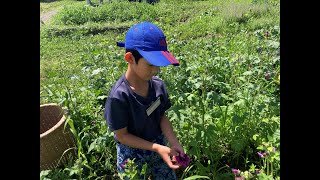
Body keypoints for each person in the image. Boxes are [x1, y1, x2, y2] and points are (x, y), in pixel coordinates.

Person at [104, 21, 184, 179]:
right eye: (150, 65)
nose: (156, 71)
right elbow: (122, 136)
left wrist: (173, 142)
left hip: (158, 145)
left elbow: (161, 116)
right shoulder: (119, 97)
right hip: (131, 154)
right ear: (130, 58)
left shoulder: (158, 86)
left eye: (158, 65)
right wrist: (156, 148)